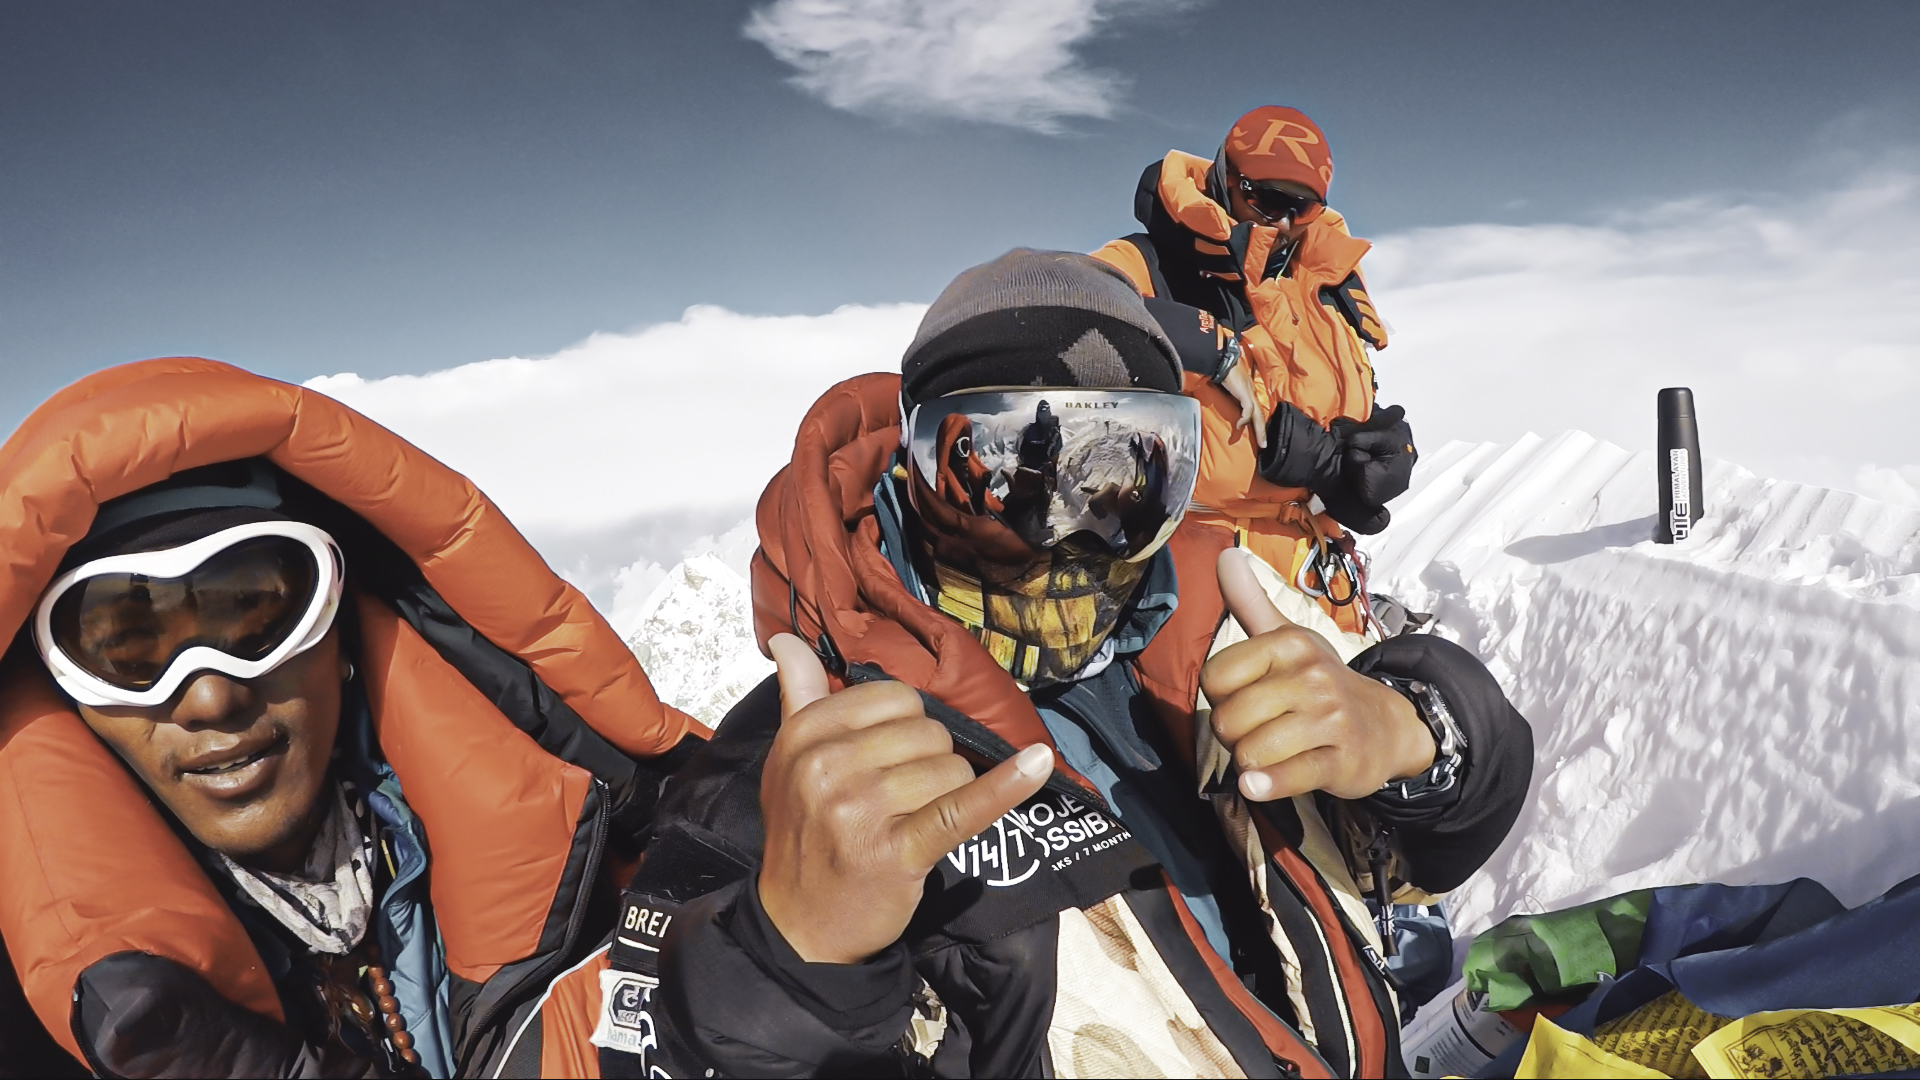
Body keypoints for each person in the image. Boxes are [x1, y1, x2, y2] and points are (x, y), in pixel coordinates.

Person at [601, 251, 1532, 1077]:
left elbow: (1444, 832)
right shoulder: (799, 773)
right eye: (1000, 471)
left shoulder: (1217, 617)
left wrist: (1411, 736)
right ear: (912, 482)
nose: (1067, 535)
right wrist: (786, 967)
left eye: (1127, 477)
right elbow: (655, 1035)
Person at [0, 359, 702, 1077]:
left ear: (338, 629)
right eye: (127, 648)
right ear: (65, 692)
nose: (212, 697)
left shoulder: (638, 858)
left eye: (259, 612)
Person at [1094, 106, 1414, 638]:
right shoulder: (1147, 266)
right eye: (1265, 198)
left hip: (1321, 582)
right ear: (1223, 176)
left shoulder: (1325, 289)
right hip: (1194, 588)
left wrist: (1365, 455)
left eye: (1303, 207)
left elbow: (1314, 403)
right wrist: (1200, 340)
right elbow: (1054, 305)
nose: (1283, 222)